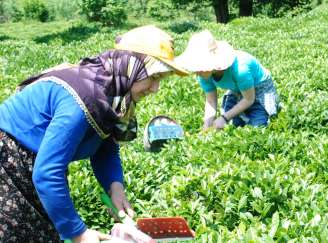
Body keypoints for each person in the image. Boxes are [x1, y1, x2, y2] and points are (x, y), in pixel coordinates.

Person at [0, 25, 188, 242]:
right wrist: (79, 233)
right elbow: (47, 173)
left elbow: (104, 144)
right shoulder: (83, 97)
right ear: (132, 67)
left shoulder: (110, 90)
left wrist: (115, 186)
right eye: (153, 77)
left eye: (160, 80)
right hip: (9, 164)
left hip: (30, 166)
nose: (155, 88)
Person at [176, 30, 280, 131]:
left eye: (198, 67)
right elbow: (211, 100)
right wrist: (207, 123)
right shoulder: (203, 74)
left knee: (257, 127)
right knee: (232, 125)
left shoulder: (241, 69)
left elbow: (249, 99)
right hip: (237, 90)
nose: (196, 72)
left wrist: (224, 118)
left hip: (260, 91)